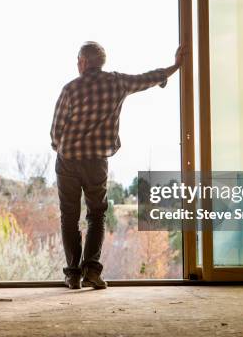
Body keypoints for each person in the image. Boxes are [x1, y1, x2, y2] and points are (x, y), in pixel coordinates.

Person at [50, 41, 187, 289]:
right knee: (97, 215)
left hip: (68, 160)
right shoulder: (116, 82)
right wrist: (176, 65)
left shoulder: (70, 88)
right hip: (97, 162)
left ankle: (72, 275)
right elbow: (148, 78)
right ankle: (91, 271)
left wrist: (59, 148)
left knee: (69, 217)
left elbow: (56, 129)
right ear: (100, 63)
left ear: (82, 62)